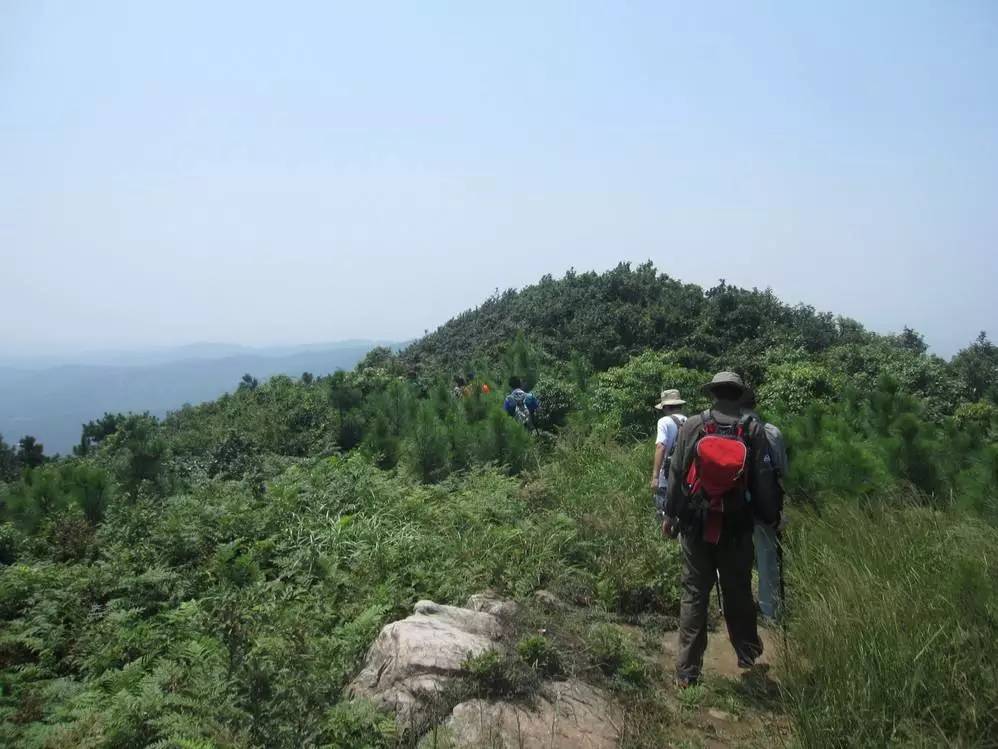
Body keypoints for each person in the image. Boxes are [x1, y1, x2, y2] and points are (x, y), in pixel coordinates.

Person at [663, 372, 780, 687]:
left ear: (713, 393)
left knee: (693, 594)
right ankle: (746, 653)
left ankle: (687, 672)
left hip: (696, 525)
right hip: (736, 527)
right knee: (738, 591)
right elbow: (763, 480)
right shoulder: (753, 430)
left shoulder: (694, 426)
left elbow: (676, 472)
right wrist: (770, 517)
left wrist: (670, 515)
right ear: (739, 395)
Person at [741, 388, 788, 623]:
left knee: (737, 560)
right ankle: (770, 613)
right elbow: (781, 475)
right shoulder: (772, 432)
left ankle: (741, 611)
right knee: (767, 559)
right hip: (766, 506)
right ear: (755, 403)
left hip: (736, 509)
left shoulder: (727, 432)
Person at [650, 389, 688, 514]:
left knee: (664, 511)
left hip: (667, 475)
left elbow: (661, 447)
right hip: (686, 475)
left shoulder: (664, 421)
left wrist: (655, 477)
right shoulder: (689, 421)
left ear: (665, 407)